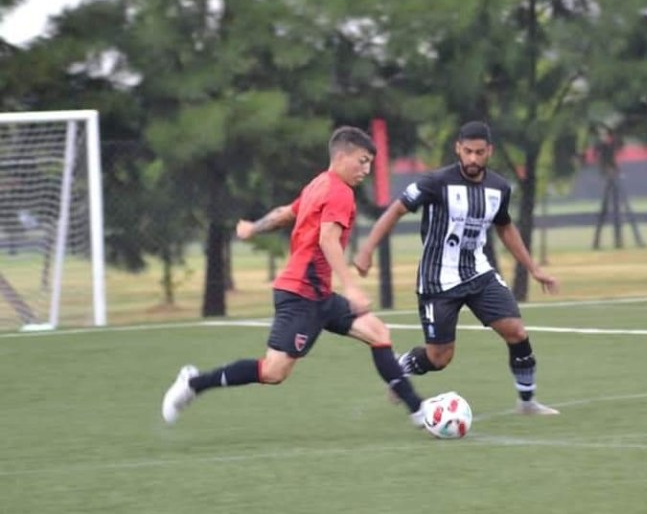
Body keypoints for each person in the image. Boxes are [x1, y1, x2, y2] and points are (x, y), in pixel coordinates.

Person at [161, 126, 426, 427]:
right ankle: (193, 383)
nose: (366, 170)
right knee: (273, 372)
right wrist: (351, 288)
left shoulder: (318, 184)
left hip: (319, 295)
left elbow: (285, 214)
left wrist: (253, 228)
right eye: (362, 161)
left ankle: (419, 411)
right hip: (301, 295)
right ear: (341, 156)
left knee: (378, 333)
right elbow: (328, 240)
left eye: (369, 164)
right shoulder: (339, 192)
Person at [353, 121, 560, 415]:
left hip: (479, 273)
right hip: (438, 281)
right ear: (458, 149)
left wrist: (533, 268)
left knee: (516, 331)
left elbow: (505, 227)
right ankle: (403, 365)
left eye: (479, 152)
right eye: (468, 151)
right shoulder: (436, 182)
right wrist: (366, 249)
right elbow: (396, 210)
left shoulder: (499, 188)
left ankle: (527, 403)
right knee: (439, 358)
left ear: (489, 151)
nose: (473, 158)